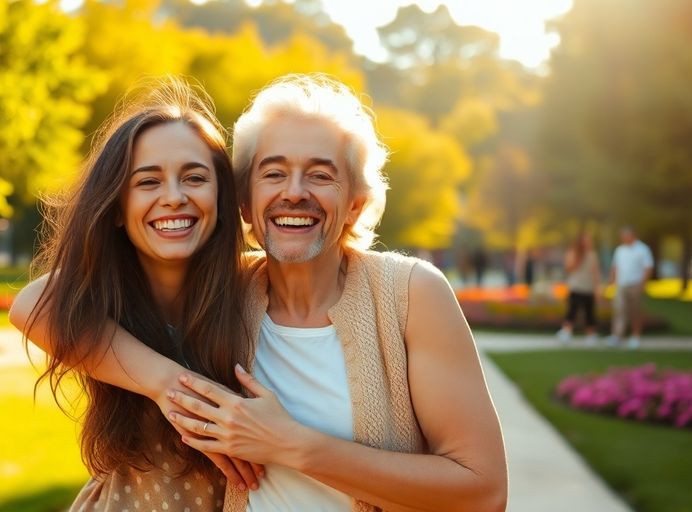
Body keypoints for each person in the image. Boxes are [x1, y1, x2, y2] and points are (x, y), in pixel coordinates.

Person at [164, 74, 507, 511]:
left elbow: (483, 492)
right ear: (245, 203)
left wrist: (293, 446)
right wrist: (160, 385)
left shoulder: (411, 294)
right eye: (274, 173)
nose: (294, 192)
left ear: (355, 205)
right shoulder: (214, 292)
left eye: (320, 175)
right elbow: (52, 304)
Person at [9, 78, 258, 511]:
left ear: (222, 196)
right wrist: (168, 386)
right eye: (148, 182)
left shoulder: (257, 283)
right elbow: (28, 305)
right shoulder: (107, 296)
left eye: (194, 177)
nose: (174, 198)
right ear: (117, 208)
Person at [606, 226, 654, 349]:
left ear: (632, 235)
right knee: (619, 310)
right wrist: (611, 280)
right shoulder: (620, 250)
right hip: (621, 284)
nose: (623, 238)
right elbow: (615, 266)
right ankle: (617, 335)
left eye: (626, 236)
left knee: (635, 311)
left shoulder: (642, 249)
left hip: (635, 284)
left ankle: (635, 336)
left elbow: (648, 267)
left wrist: (643, 284)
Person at [557, 232, 602, 345]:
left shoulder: (592, 255)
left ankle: (591, 335)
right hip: (576, 286)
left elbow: (595, 273)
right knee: (572, 311)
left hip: (588, 287)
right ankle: (566, 333)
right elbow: (568, 268)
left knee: (589, 312)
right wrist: (579, 258)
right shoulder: (573, 253)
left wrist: (597, 288)